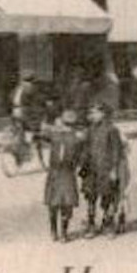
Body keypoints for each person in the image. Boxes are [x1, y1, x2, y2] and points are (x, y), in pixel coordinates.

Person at [82, 103, 126, 237]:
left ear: (103, 114)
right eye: (91, 113)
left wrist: (114, 170)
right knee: (90, 198)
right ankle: (91, 226)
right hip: (91, 170)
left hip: (106, 170)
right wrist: (83, 166)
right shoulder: (89, 130)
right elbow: (86, 149)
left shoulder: (112, 130)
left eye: (95, 113)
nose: (92, 116)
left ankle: (108, 225)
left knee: (108, 198)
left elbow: (116, 152)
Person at [43, 107, 84, 242]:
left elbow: (81, 154)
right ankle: (54, 231)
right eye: (64, 123)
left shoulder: (76, 138)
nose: (65, 127)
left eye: (68, 124)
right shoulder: (55, 135)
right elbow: (40, 135)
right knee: (53, 205)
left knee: (67, 204)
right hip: (55, 172)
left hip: (67, 173)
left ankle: (64, 232)